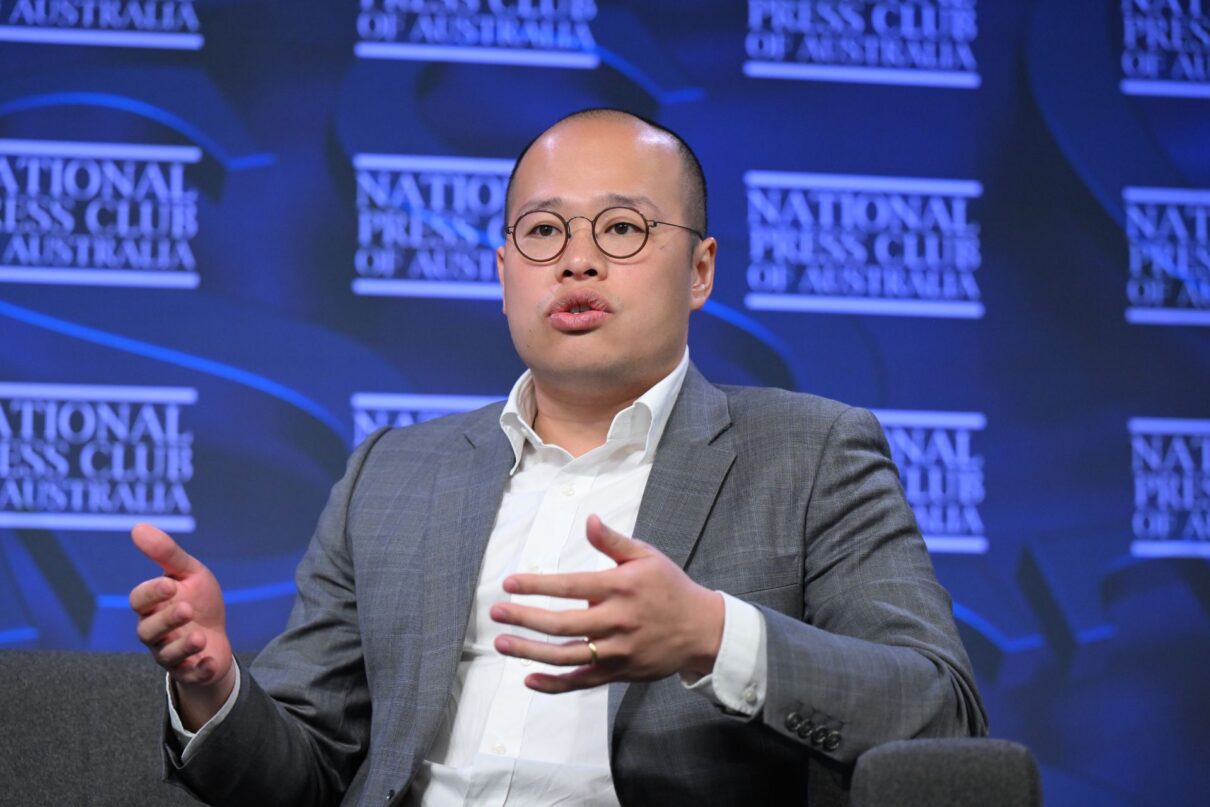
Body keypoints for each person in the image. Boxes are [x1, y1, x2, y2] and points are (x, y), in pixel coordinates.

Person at [129, 108, 987, 806]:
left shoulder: (810, 454)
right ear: (505, 271)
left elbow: (941, 718)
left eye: (622, 226)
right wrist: (217, 685)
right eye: (543, 230)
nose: (577, 258)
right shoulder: (392, 473)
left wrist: (711, 636)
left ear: (700, 269)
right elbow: (303, 774)